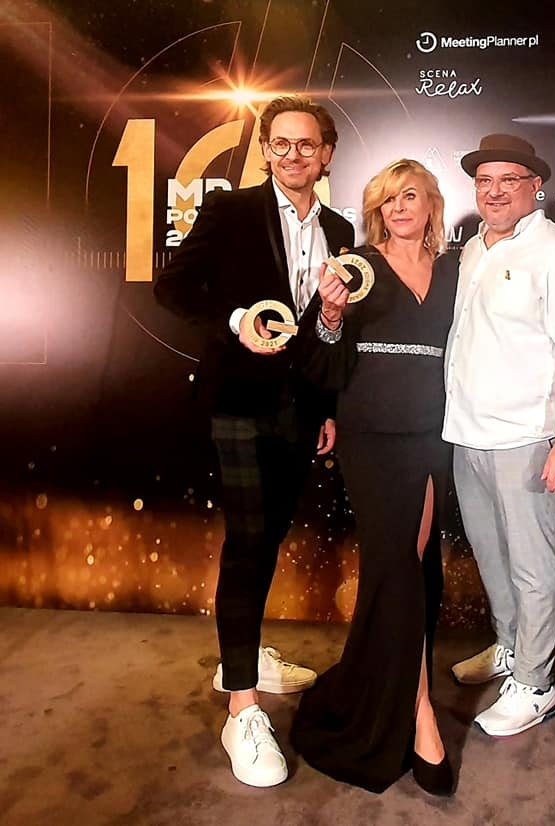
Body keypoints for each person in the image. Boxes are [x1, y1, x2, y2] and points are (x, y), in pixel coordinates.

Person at [154, 95, 354, 788]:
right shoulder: (230, 210)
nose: (294, 155)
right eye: (281, 143)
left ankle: (243, 654)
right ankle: (242, 707)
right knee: (246, 542)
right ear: (265, 150)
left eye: (307, 144)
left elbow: (327, 328)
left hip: (301, 411)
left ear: (326, 154)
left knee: (267, 538)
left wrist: (326, 406)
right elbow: (172, 288)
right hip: (238, 404)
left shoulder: (340, 228)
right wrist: (237, 319)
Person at [290, 159, 458, 796]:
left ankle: (373, 683)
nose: (399, 208)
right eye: (388, 200)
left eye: (410, 196)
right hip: (372, 433)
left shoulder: (455, 268)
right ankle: (419, 711)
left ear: (430, 203)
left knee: (408, 569)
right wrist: (331, 316)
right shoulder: (354, 266)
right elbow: (317, 355)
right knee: (396, 567)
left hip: (434, 432)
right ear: (376, 211)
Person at [443, 134, 555, 736]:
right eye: (485, 180)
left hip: (528, 438)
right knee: (492, 555)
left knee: (533, 565)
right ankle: (512, 647)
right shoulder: (471, 249)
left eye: (508, 179)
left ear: (535, 186)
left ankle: (535, 683)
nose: (494, 192)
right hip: (468, 433)